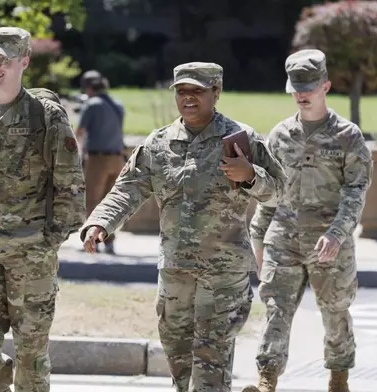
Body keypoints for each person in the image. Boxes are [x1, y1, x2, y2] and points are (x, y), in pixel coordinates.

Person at [80, 62, 286, 392]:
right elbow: (128, 188)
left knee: (209, 368)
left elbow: (279, 191)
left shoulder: (242, 140)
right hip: (175, 273)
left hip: (224, 276)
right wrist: (101, 222)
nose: (188, 98)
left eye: (197, 92)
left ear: (216, 93)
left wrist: (250, 176)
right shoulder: (159, 143)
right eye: (181, 92)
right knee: (180, 367)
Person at [0, 27, 85, 392]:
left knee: (32, 354)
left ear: (24, 62)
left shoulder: (46, 117)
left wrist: (49, 241)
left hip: (31, 253)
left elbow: (71, 185)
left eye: (5, 61)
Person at [242, 49, 373, 392]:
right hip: (283, 239)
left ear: (325, 86)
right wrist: (258, 239)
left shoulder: (348, 136)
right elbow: (269, 192)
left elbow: (356, 192)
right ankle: (266, 381)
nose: (301, 94)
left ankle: (338, 379)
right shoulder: (280, 135)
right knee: (275, 311)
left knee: (335, 314)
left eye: (309, 87)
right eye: (296, 87)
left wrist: (336, 234)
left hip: (329, 242)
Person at [75, 70, 126, 254]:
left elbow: (79, 132)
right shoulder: (118, 105)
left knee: (92, 202)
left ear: (88, 88)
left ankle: (91, 242)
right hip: (118, 158)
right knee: (111, 203)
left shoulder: (92, 104)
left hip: (98, 159)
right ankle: (110, 242)